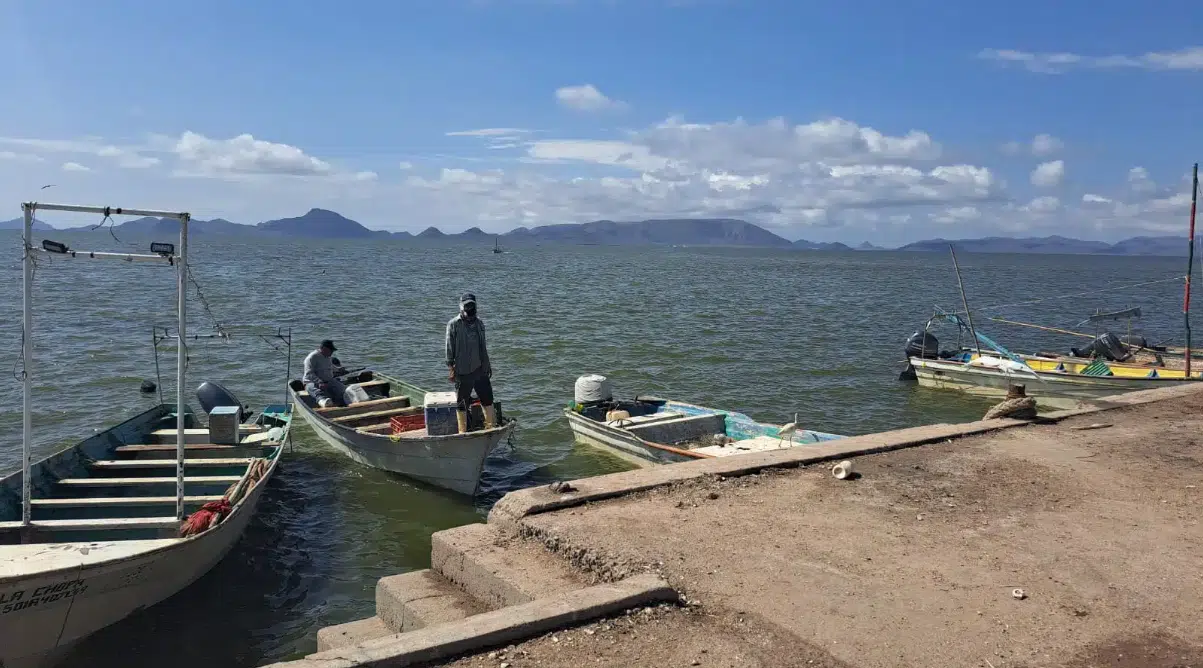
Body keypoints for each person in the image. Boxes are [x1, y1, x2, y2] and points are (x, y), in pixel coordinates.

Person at [445, 293, 496, 433]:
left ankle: (490, 428)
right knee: (462, 402)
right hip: (462, 370)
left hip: (480, 368)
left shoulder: (479, 323)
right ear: (461, 307)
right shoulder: (453, 324)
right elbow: (449, 348)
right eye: (467, 306)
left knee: (487, 398)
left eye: (472, 305)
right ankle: (462, 431)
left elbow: (483, 346)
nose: (470, 308)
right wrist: (451, 367)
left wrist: (488, 364)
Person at [303, 339, 347, 408]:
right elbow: (309, 374)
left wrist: (339, 369)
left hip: (329, 381)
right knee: (313, 388)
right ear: (323, 348)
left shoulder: (328, 357)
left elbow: (331, 367)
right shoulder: (312, 357)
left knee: (344, 390)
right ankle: (323, 401)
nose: (332, 352)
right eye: (331, 350)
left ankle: (343, 401)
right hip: (313, 382)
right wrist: (319, 382)